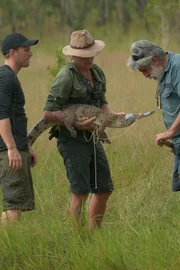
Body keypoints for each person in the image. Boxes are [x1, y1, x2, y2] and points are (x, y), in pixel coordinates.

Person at [43, 30, 125, 230]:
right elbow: (48, 113)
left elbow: (102, 101)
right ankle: (78, 241)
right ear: (73, 55)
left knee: (104, 189)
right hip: (72, 139)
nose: (89, 59)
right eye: (84, 56)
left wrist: (111, 115)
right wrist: (79, 125)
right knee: (80, 192)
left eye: (92, 54)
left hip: (93, 138)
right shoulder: (65, 77)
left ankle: (93, 235)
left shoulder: (97, 72)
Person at [127, 40, 180, 191]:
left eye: (145, 70)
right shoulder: (163, 70)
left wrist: (171, 131)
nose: (145, 75)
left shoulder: (177, 67)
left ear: (154, 60)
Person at [0, 33, 38, 226]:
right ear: (12, 52)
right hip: (8, 152)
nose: (30, 54)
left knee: (17, 206)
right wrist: (12, 148)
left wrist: (25, 146)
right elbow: (1, 115)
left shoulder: (9, 77)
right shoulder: (6, 77)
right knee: (13, 207)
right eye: (26, 50)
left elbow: (15, 118)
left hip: (15, 148)